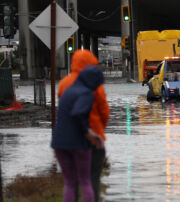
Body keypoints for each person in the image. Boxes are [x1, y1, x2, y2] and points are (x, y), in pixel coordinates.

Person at [58, 49, 110, 202]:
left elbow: (64, 110)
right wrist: (99, 130)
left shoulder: (64, 83)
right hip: (92, 139)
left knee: (70, 181)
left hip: (68, 139)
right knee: (91, 179)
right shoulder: (94, 84)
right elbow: (105, 111)